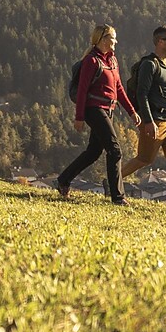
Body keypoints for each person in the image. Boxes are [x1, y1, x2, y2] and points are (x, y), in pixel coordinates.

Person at [58, 23, 138, 203]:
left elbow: (118, 89)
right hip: (93, 109)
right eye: (113, 37)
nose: (116, 41)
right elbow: (82, 91)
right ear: (102, 39)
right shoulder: (91, 61)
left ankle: (63, 179)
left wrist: (132, 112)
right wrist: (79, 117)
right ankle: (117, 197)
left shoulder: (112, 61)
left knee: (93, 152)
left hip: (108, 110)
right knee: (115, 150)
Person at [127, 24, 166, 205]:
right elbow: (141, 94)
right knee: (143, 159)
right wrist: (148, 121)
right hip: (155, 119)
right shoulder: (149, 64)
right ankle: (112, 180)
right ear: (160, 42)